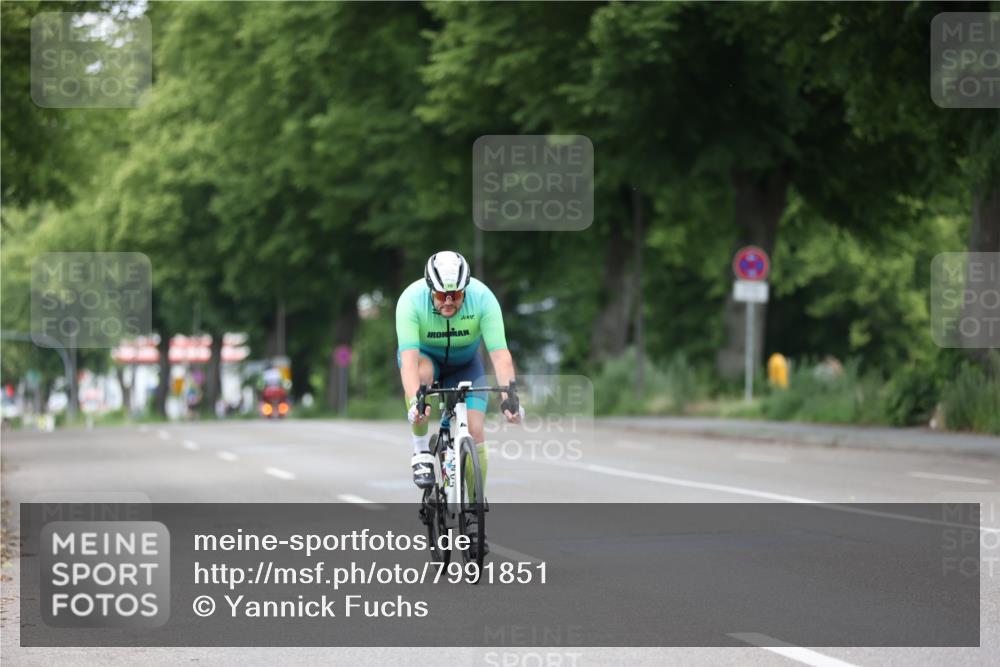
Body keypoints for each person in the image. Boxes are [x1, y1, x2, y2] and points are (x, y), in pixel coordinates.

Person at [396, 251, 522, 546]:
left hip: (467, 364)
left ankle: (475, 509)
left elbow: (500, 354)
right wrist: (417, 402)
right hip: (426, 361)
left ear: (466, 289)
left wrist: (510, 398)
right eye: (441, 295)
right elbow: (410, 361)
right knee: (422, 389)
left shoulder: (483, 298)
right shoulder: (411, 301)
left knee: (476, 431)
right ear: (430, 289)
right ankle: (420, 451)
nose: (449, 301)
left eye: (456, 294)